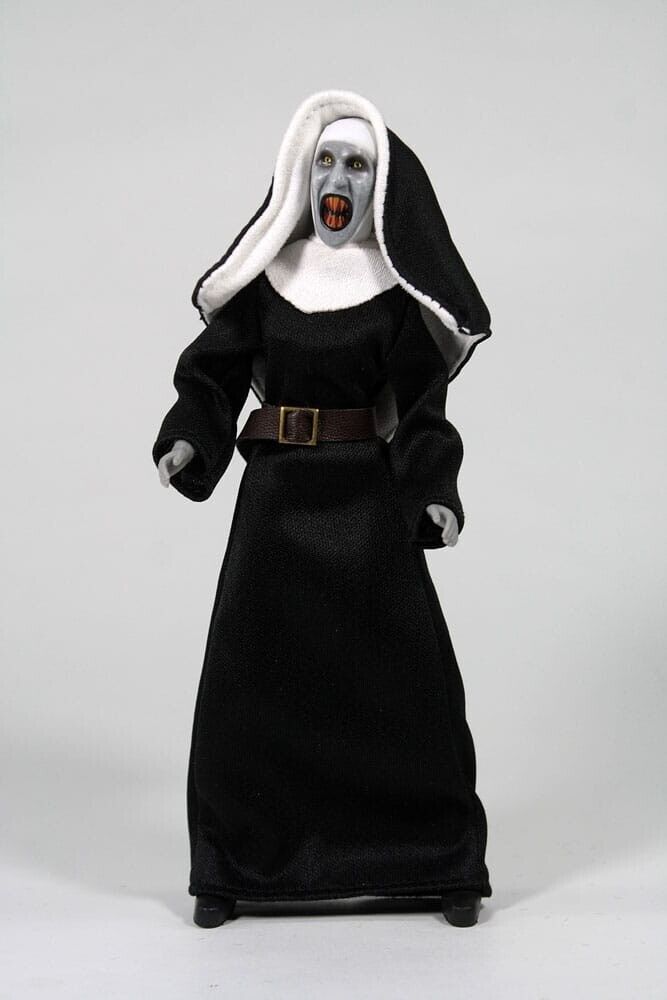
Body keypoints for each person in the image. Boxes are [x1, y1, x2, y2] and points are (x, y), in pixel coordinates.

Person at [153, 90, 492, 928]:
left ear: (383, 187)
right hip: (274, 504)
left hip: (366, 504)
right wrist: (191, 435)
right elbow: (211, 374)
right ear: (300, 176)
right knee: (247, 685)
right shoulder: (268, 282)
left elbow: (422, 409)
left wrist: (433, 491)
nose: (338, 180)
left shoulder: (391, 295)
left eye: (357, 166)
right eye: (326, 163)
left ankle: (433, 855)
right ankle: (233, 863)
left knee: (404, 683)